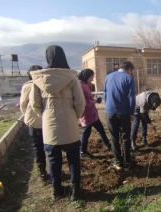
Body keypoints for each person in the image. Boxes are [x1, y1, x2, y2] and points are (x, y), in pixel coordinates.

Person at [30, 45, 85, 201]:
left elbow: (35, 105)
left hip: (50, 128)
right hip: (69, 126)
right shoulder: (71, 77)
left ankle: (56, 190)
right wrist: (74, 117)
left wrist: (46, 116)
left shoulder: (38, 79)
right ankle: (76, 191)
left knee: (53, 161)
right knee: (74, 160)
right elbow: (80, 103)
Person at [104, 61, 136, 171]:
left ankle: (118, 162)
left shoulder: (108, 77)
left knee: (114, 138)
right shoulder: (129, 78)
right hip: (124, 113)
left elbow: (105, 94)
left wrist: (108, 108)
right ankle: (127, 163)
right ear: (129, 69)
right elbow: (132, 97)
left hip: (110, 112)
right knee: (126, 138)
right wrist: (131, 113)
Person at [20, 65, 48, 183]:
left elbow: (23, 104)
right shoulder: (46, 84)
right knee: (51, 147)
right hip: (47, 121)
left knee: (38, 148)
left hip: (34, 122)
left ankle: (43, 173)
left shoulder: (26, 86)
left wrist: (28, 115)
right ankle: (55, 171)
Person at [77, 69, 111, 159]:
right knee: (86, 133)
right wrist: (93, 101)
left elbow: (88, 98)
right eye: (91, 77)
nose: (92, 79)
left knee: (100, 129)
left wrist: (95, 100)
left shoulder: (84, 85)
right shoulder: (80, 86)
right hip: (87, 114)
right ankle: (82, 150)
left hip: (92, 113)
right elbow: (82, 101)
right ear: (87, 76)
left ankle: (108, 145)